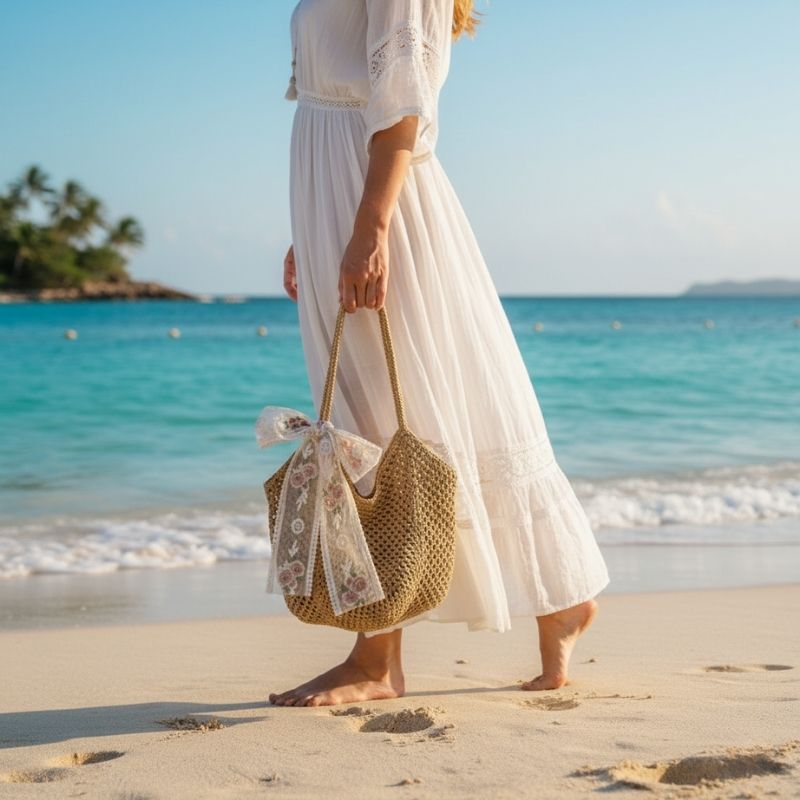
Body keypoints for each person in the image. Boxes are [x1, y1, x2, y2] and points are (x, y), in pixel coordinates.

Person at [269, 0, 610, 707]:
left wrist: (370, 225)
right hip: (341, 193)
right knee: (413, 406)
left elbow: (402, 100)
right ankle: (559, 598)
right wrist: (317, 224)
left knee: (386, 419)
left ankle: (377, 658)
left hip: (380, 201)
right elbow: (339, 98)